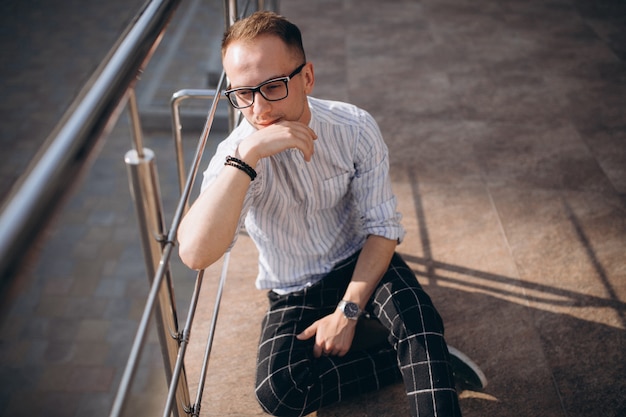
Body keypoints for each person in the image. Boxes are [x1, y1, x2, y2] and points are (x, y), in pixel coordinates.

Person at [178, 11, 463, 417]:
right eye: (243, 94)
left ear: (307, 78)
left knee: (417, 318)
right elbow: (194, 254)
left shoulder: (354, 127)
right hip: (293, 285)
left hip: (359, 259)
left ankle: (422, 349)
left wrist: (348, 312)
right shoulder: (237, 157)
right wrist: (248, 156)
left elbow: (382, 230)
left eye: (273, 86)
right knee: (278, 392)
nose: (258, 108)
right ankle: (425, 360)